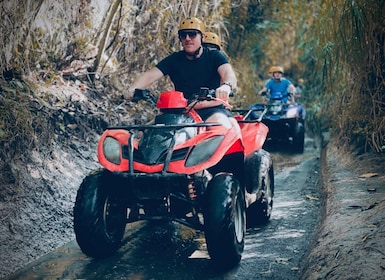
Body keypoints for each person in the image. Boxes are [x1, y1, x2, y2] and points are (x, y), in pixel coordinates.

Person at [124, 17, 238, 131]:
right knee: (147, 135)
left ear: (202, 37)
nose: (187, 38)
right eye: (183, 35)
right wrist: (132, 89)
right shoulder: (174, 59)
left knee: (222, 128)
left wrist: (226, 86)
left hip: (211, 110)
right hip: (179, 112)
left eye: (192, 34)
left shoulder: (214, 56)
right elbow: (150, 75)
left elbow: (229, 74)